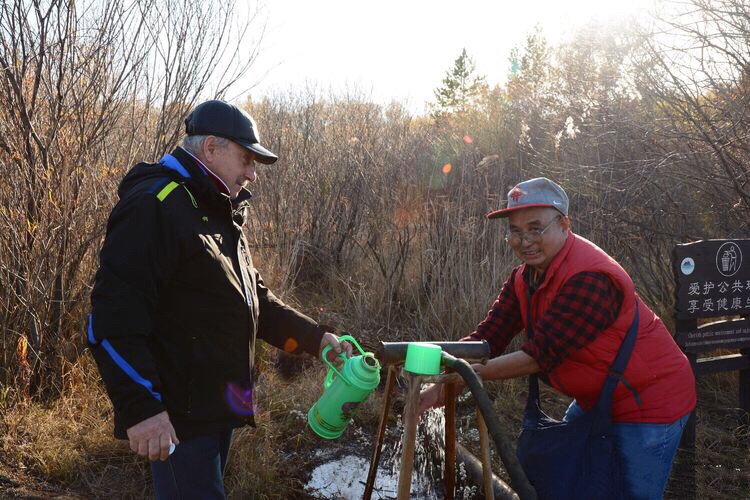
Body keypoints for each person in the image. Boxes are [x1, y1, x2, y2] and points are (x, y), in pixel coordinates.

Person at [87, 100, 351, 499]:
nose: (252, 174)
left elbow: (252, 301)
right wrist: (142, 409)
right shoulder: (154, 205)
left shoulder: (215, 209)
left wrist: (317, 340)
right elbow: (110, 320)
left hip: (214, 412)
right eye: (246, 159)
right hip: (176, 419)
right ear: (211, 147)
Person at [419, 177, 696, 499]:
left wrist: (462, 377)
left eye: (536, 228)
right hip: (600, 398)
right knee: (575, 477)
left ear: (564, 224)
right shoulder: (525, 276)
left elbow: (541, 354)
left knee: (630, 492)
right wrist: (440, 375)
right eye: (515, 230)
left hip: (650, 400)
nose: (525, 241)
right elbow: (489, 336)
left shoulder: (592, 277)